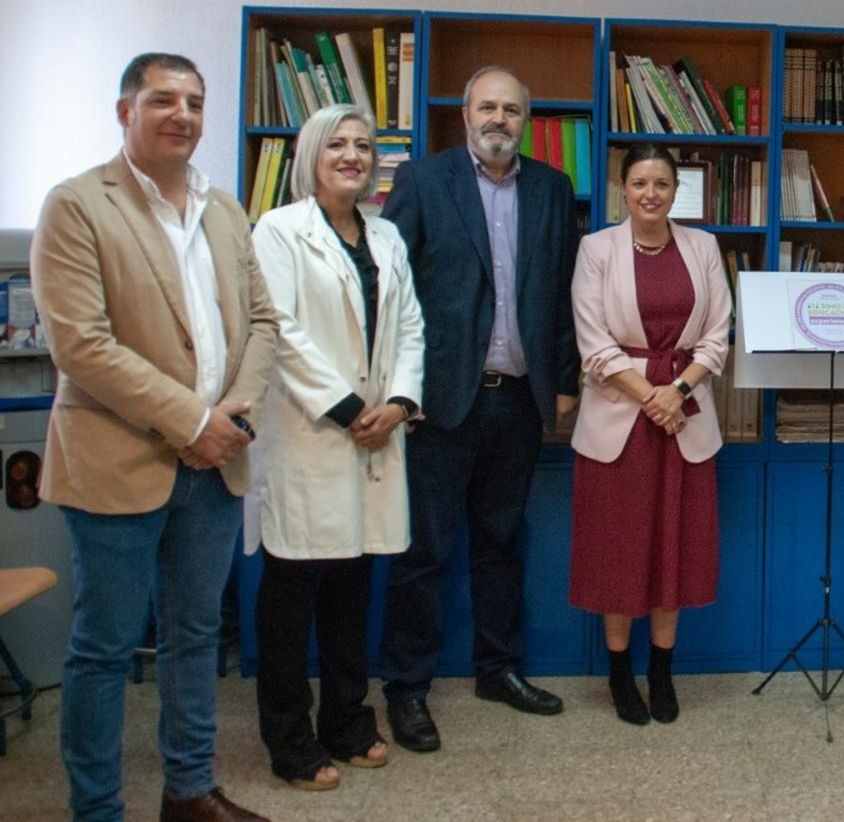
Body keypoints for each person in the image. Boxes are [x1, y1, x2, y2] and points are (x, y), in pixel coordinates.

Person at [31, 53, 278, 822]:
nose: (183, 115)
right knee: (103, 650)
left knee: (196, 637)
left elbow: (264, 323)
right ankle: (97, 809)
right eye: (163, 99)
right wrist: (192, 422)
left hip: (215, 466)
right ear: (125, 110)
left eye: (195, 102)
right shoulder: (76, 205)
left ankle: (189, 791)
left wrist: (232, 413)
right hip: (117, 460)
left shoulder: (224, 209)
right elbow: (82, 346)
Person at [379, 66, 579, 752]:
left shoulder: (553, 190)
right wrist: (397, 387)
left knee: (501, 545)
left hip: (519, 401)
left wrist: (567, 380)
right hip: (439, 403)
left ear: (527, 120)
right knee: (423, 553)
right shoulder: (424, 181)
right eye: (487, 107)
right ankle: (407, 689)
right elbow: (389, 286)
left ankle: (499, 669)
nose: (499, 119)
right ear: (465, 114)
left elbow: (561, 293)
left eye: (513, 110)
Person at [247, 106, 424, 790]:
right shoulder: (279, 230)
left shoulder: (386, 236)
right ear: (311, 155)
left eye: (364, 146)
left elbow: (410, 326)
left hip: (376, 435)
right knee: (293, 595)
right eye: (338, 145)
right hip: (312, 433)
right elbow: (281, 330)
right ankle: (290, 741)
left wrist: (401, 403)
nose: (353, 155)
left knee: (352, 592)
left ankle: (347, 723)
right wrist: (352, 409)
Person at [569, 143, 731, 725]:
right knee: (619, 552)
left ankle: (661, 671)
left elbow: (717, 336)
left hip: (683, 420)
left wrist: (677, 394)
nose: (651, 194)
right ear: (623, 189)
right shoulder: (595, 249)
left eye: (662, 183)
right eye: (640, 183)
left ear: (675, 190)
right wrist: (651, 399)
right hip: (619, 422)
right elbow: (593, 343)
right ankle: (619, 673)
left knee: (673, 551)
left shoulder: (704, 246)